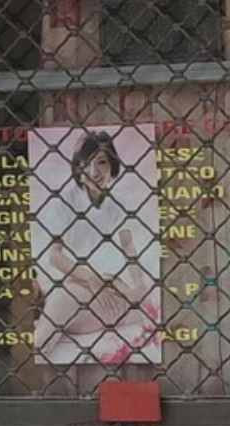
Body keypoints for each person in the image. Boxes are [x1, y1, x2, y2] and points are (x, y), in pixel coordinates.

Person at [31, 130, 160, 365]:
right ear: (78, 169)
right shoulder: (63, 202)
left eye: (101, 162)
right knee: (55, 317)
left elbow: (128, 246)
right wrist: (91, 278)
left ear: (112, 166)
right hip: (76, 285)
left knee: (143, 307)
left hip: (112, 287)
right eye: (87, 164)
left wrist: (139, 286)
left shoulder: (118, 204)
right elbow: (55, 257)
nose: (94, 172)